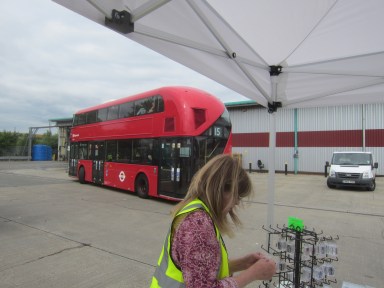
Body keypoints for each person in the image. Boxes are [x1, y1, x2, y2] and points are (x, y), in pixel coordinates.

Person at [150, 154, 276, 288]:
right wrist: (253, 274)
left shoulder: (197, 211)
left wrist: (242, 264)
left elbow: (198, 268)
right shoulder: (197, 225)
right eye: (237, 195)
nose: (237, 202)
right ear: (221, 189)